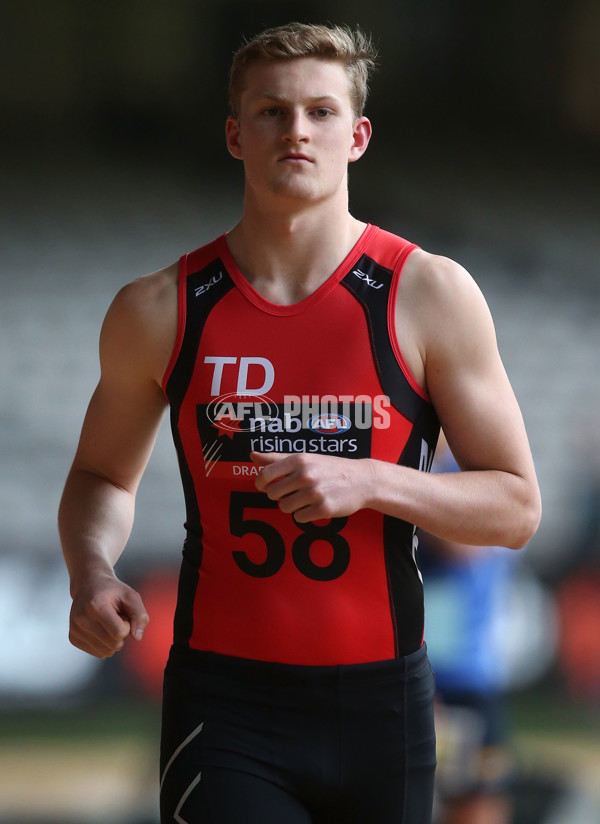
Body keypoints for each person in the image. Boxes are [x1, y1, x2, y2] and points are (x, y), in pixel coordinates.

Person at [58, 22, 541, 824]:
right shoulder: (159, 309)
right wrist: (90, 571)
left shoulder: (429, 294)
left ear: (357, 136)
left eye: (320, 112)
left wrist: (373, 481)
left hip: (386, 703)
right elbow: (102, 477)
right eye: (272, 112)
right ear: (233, 134)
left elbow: (517, 508)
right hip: (227, 702)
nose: (296, 131)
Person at [419, 435, 517, 824]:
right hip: (402, 669)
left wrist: (391, 489)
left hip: (464, 676)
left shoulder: (494, 475)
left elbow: (463, 546)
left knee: (475, 804)